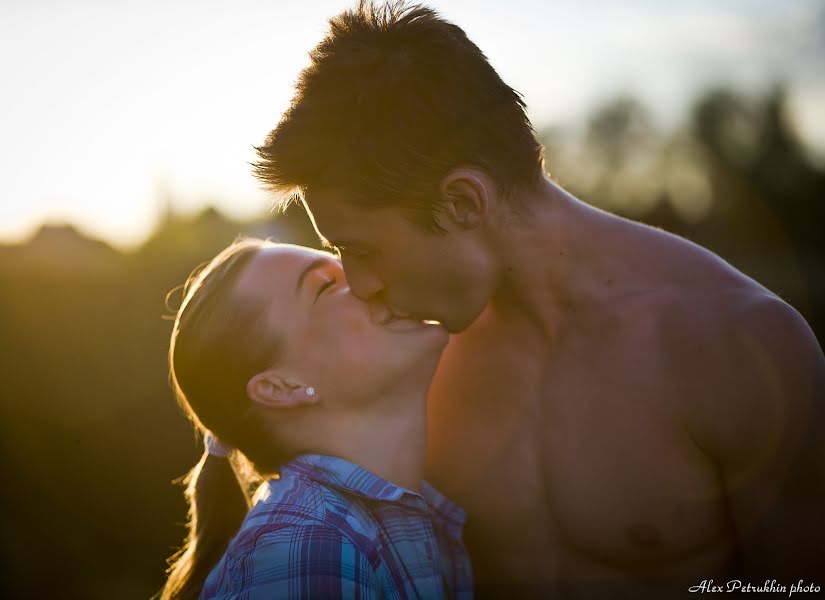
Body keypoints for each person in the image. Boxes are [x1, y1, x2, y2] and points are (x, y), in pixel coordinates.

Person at [252, 2, 825, 597]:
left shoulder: (742, 346)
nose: (358, 283)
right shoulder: (410, 361)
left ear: (464, 203)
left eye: (363, 249)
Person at [159, 238, 473, 600]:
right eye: (326, 285)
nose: (372, 281)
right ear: (282, 386)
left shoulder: (412, 520)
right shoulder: (308, 545)